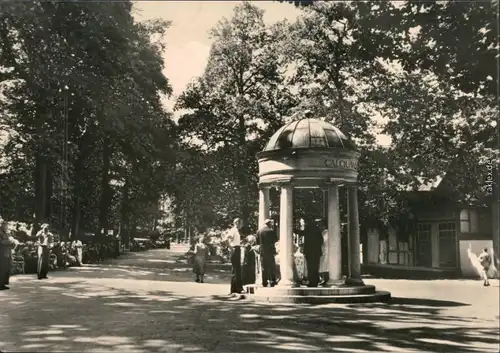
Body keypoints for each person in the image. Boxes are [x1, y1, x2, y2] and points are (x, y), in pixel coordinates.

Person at [256, 219, 277, 287]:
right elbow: (275, 240)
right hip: (270, 251)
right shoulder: (271, 231)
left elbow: (257, 242)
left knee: (263, 267)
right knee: (271, 267)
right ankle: (272, 281)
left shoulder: (259, 231)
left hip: (262, 251)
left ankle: (264, 282)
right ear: (269, 224)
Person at [303, 217, 323, 287]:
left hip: (309, 252)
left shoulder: (308, 229)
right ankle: (315, 281)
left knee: (310, 267)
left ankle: (312, 282)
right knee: (315, 267)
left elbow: (302, 233)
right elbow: (321, 241)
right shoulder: (317, 229)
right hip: (316, 252)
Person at [227, 218, 244, 295]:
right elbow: (227, 239)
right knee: (235, 269)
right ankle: (233, 289)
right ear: (236, 223)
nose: (240, 225)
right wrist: (230, 248)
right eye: (239, 223)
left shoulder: (236, 230)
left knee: (237, 269)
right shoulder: (233, 230)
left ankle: (237, 288)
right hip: (234, 249)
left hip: (237, 248)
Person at [0, 217, 16, 290]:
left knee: (6, 269)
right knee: (2, 269)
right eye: (6, 225)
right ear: (2, 225)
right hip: (2, 253)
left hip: (7, 252)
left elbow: (8, 241)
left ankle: (3, 283)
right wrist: (10, 242)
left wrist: (13, 244)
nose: (7, 227)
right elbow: (2, 242)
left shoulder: (6, 233)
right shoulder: (0, 233)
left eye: (7, 226)